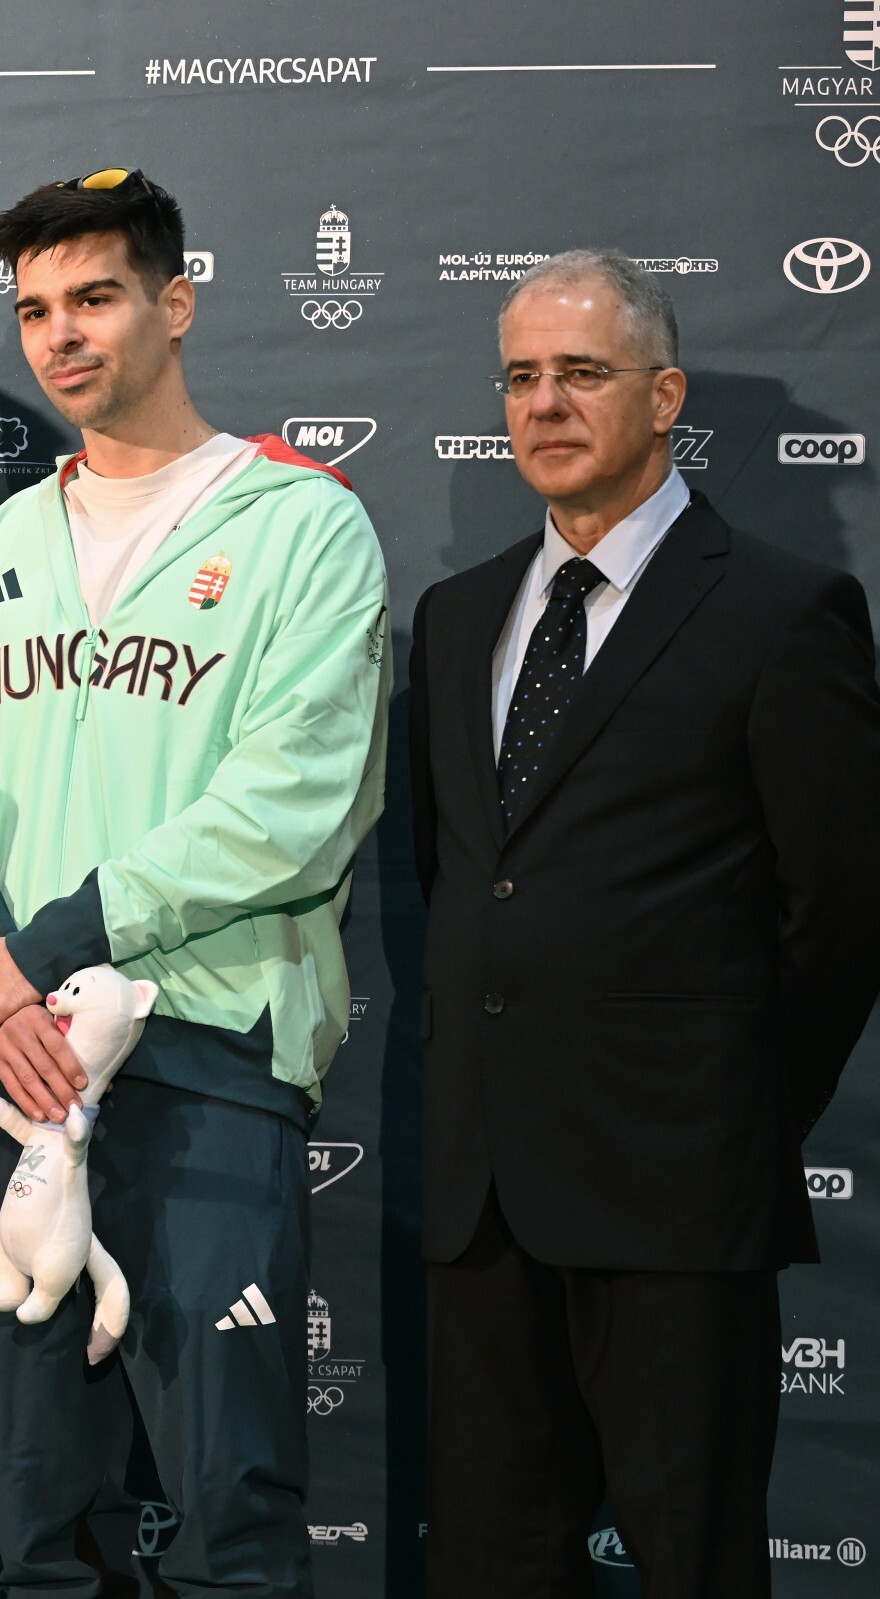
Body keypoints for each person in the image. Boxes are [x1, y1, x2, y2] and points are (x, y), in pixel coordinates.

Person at [0, 169, 390, 1594]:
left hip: (209, 1054)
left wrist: (49, 943)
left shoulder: (301, 525)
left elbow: (293, 807)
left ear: (177, 303)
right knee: (34, 1527)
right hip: (16, 1077)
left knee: (231, 1519)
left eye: (95, 297)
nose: (61, 333)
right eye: (36, 308)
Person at [408, 249, 880, 1598]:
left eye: (582, 373)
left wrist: (736, 1104)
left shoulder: (783, 609)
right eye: (520, 377)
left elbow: (842, 908)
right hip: (486, 1194)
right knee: (491, 1562)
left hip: (678, 1186)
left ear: (665, 397)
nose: (544, 404)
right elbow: (464, 878)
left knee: (694, 1558)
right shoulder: (456, 617)